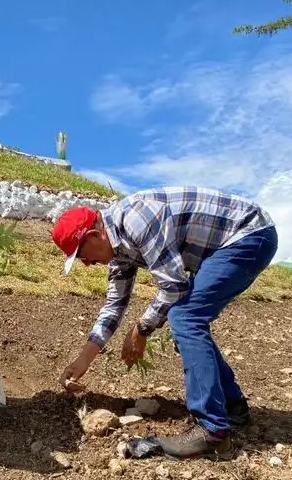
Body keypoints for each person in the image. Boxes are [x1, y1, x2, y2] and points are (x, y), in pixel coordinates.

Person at [53, 187, 278, 460]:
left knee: (185, 316)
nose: (87, 264)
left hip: (249, 234)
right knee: (185, 319)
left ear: (93, 235)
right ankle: (232, 407)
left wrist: (142, 329)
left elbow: (173, 287)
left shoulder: (137, 220)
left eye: (82, 255)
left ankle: (212, 432)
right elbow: (114, 306)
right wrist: (83, 361)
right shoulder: (117, 250)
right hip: (231, 241)